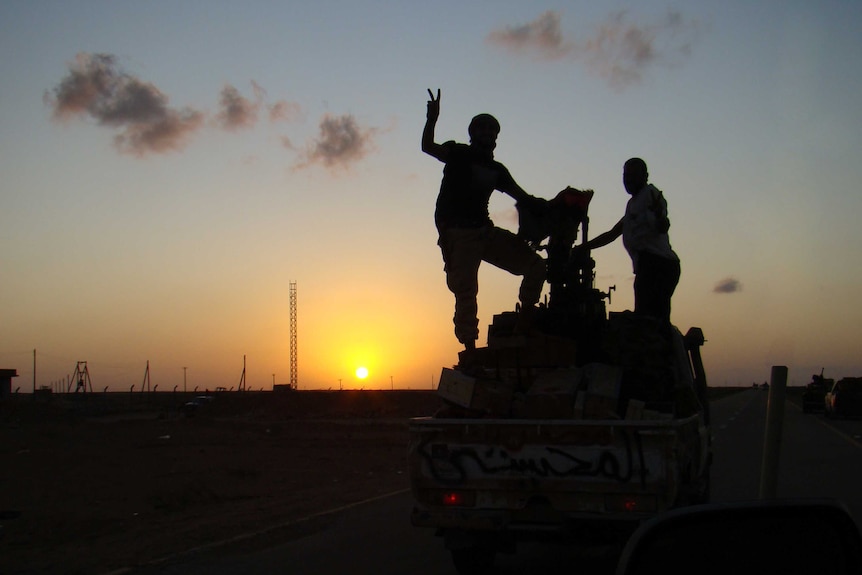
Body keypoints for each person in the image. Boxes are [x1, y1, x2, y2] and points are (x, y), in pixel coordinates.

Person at [422, 89, 546, 350]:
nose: (487, 134)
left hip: (483, 232)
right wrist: (432, 119)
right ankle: (470, 352)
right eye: (482, 129)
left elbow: (523, 197)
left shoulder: (496, 170)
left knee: (535, 266)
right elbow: (428, 147)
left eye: (492, 130)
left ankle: (523, 326)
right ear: (472, 133)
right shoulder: (457, 153)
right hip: (459, 233)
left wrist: (556, 205)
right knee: (466, 292)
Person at [578, 157, 680, 322]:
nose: (628, 180)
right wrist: (583, 247)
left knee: (652, 321)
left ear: (645, 176)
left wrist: (661, 220)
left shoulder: (650, 194)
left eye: (633, 175)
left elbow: (662, 222)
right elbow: (612, 234)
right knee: (648, 319)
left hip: (658, 265)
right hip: (647, 266)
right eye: (626, 175)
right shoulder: (633, 204)